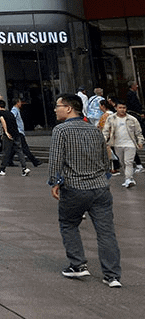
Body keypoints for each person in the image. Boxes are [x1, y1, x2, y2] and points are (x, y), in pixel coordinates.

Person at [48, 94, 122, 288]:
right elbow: (106, 161)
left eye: (58, 106)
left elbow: (55, 159)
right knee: (106, 232)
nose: (55, 109)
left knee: (68, 223)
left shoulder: (60, 130)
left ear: (69, 108)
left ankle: (78, 264)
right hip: (100, 188)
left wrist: (54, 182)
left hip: (75, 187)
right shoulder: (94, 130)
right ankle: (112, 275)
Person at [102, 102, 144, 188]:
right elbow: (106, 130)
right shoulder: (111, 118)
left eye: (124, 108)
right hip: (117, 144)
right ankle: (129, 178)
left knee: (128, 162)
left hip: (130, 144)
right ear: (116, 108)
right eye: (120, 107)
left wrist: (140, 141)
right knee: (122, 162)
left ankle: (128, 179)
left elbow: (138, 132)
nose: (122, 110)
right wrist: (104, 139)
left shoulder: (132, 119)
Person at [0, 100, 29, 176]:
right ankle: (25, 168)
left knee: (6, 151)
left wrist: (6, 132)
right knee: (19, 150)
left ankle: (2, 169)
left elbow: (3, 121)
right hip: (16, 133)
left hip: (9, 134)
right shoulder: (10, 113)